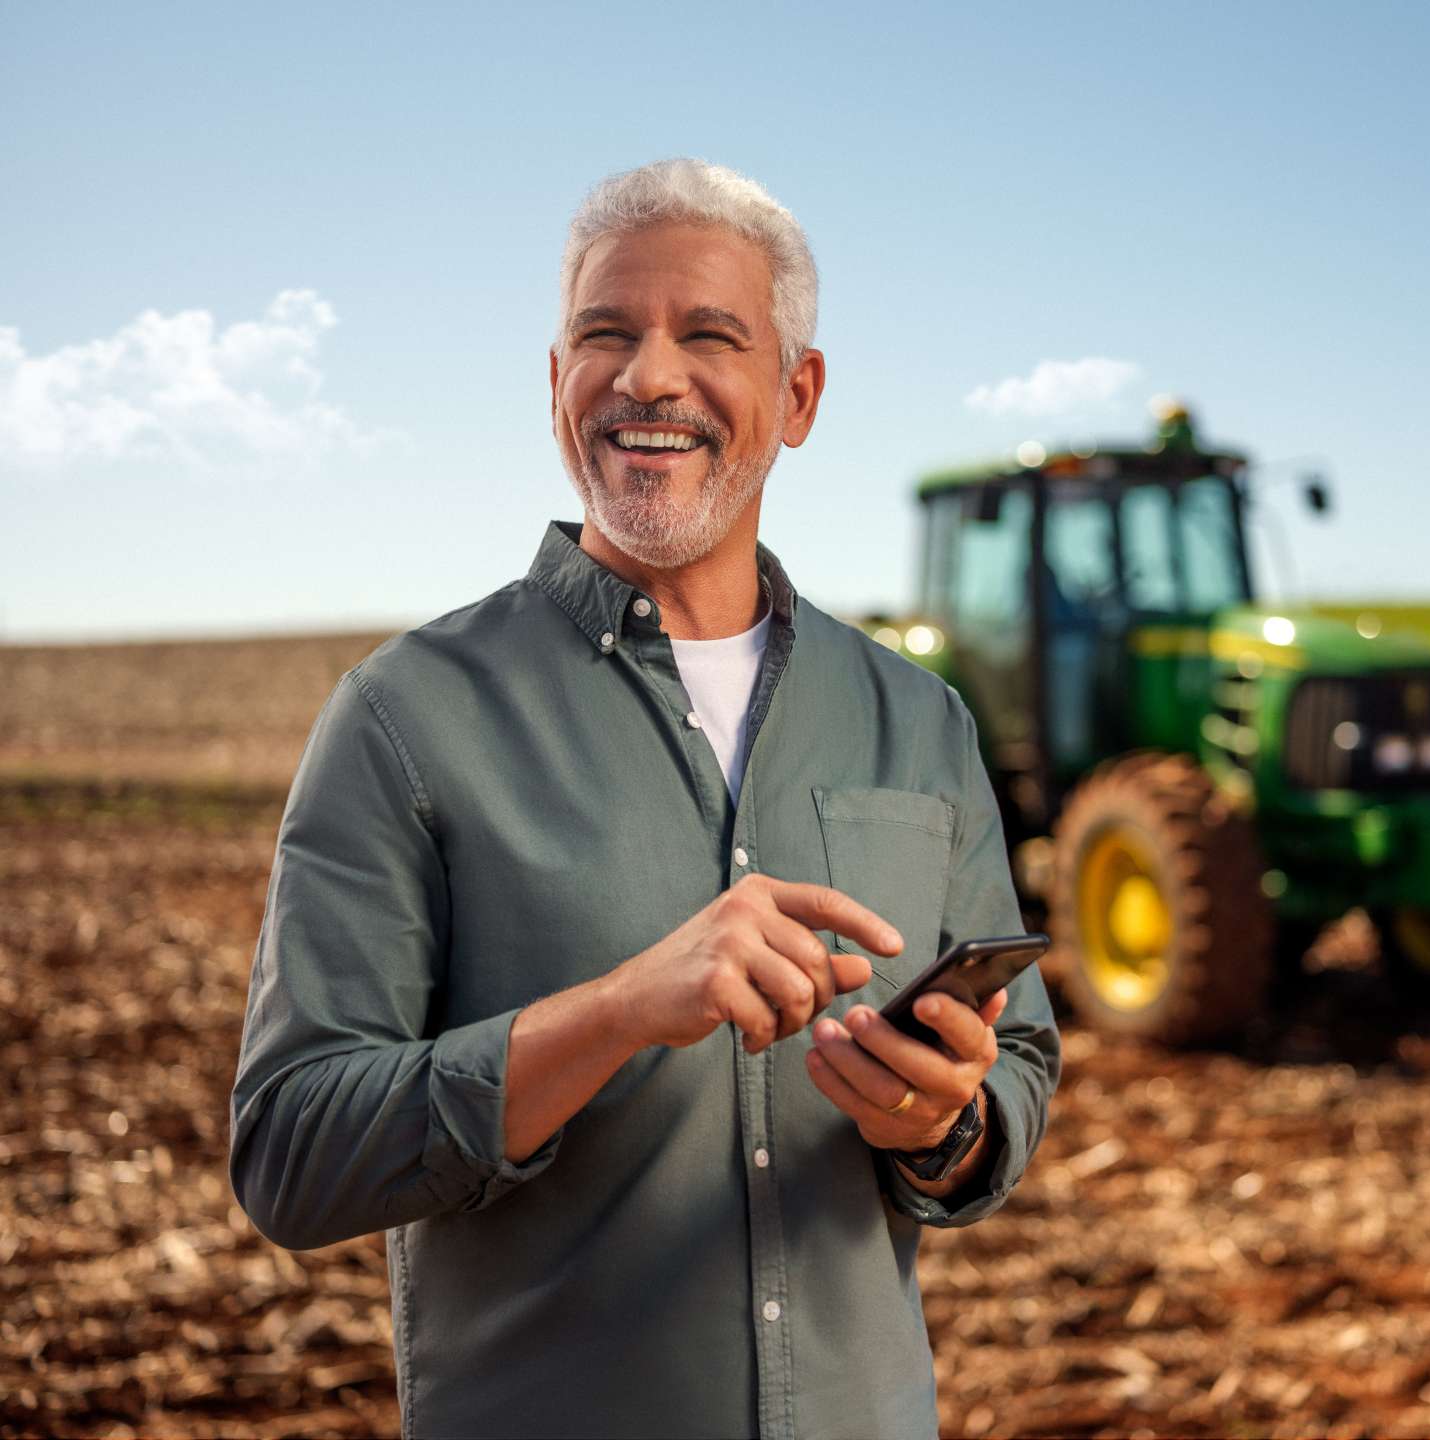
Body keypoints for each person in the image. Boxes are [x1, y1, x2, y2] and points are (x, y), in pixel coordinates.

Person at [229, 158, 1062, 1440]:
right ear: (555, 385)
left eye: (708, 335)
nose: (649, 376)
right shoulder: (404, 717)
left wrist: (946, 1126)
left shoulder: (920, 720)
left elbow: (1019, 1065)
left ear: (798, 396)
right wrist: (618, 1011)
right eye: (604, 335)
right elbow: (292, 1151)